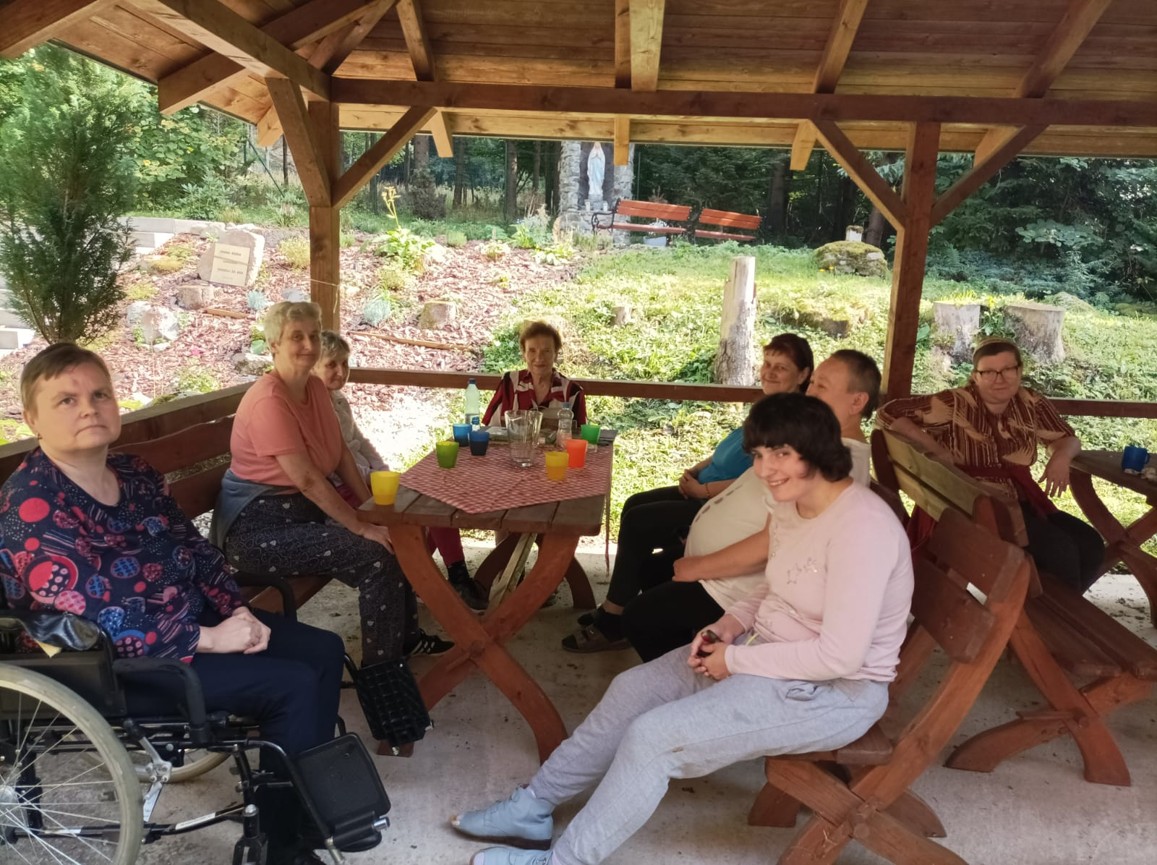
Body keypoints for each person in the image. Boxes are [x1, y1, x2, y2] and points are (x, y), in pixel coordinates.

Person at [451, 392, 914, 865]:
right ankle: (534, 806)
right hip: (766, 652)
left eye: (780, 454)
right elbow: (778, 585)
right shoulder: (793, 506)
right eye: (759, 455)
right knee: (631, 689)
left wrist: (735, 660)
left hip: (832, 693)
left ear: (820, 451)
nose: (764, 469)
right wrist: (728, 625)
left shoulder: (862, 530)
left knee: (654, 740)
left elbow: (840, 656)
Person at [0, 343, 346, 865]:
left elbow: (193, 548)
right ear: (32, 419)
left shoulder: (133, 473)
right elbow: (97, 616)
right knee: (290, 684)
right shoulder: (33, 503)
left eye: (100, 394)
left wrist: (235, 610)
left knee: (323, 650)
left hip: (182, 620)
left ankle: (303, 806)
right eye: (66, 400)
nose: (89, 408)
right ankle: (283, 846)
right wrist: (212, 638)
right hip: (106, 661)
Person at [211, 301, 451, 673]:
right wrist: (359, 526)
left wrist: (372, 511)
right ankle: (383, 674)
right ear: (273, 344)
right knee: (377, 556)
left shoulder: (314, 388)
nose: (308, 345)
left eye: (313, 335)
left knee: (393, 536)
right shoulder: (269, 400)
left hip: (302, 519)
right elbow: (307, 479)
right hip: (257, 531)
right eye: (296, 337)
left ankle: (404, 640)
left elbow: (340, 454)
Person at [622, 349, 882, 661]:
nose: (810, 392)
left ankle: (698, 674)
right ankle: (691, 660)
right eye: (812, 383)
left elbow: (774, 541)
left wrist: (699, 566)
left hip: (738, 588)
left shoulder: (834, 466)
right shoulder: (821, 445)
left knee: (641, 618)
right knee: (651, 571)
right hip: (723, 571)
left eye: (821, 386)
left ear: (857, 402)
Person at [562, 333, 813, 653]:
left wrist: (703, 489)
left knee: (640, 522)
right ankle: (618, 603)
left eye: (781, 367)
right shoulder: (767, 407)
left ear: (803, 375)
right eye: (767, 364)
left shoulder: (795, 423)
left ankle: (614, 619)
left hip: (712, 497)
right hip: (704, 488)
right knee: (634, 505)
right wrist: (696, 469)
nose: (770, 372)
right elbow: (729, 453)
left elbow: (757, 478)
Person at [877, 337, 1105, 592]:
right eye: (989, 372)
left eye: (1008, 369)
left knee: (1090, 544)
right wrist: (935, 448)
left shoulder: (1030, 402)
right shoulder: (954, 403)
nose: (1000, 379)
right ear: (975, 376)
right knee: (1059, 549)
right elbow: (888, 413)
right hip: (969, 506)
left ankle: (1052, 607)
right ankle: (1050, 610)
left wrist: (1061, 457)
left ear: (1019, 371)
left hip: (1018, 503)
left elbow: (1067, 438)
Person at [314, 330, 488, 611]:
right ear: (312, 367)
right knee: (416, 512)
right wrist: (372, 477)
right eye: (331, 364)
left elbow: (361, 441)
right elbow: (335, 463)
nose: (341, 371)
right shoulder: (315, 408)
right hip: (344, 491)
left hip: (367, 479)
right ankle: (422, 578)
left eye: (345, 363)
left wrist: (384, 471)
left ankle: (452, 574)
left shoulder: (338, 399)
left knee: (432, 497)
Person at [482, 321, 587, 428]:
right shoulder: (509, 383)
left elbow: (581, 435)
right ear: (524, 354)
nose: (539, 358)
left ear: (555, 354)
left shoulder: (572, 392)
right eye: (532, 351)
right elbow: (490, 428)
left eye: (546, 351)